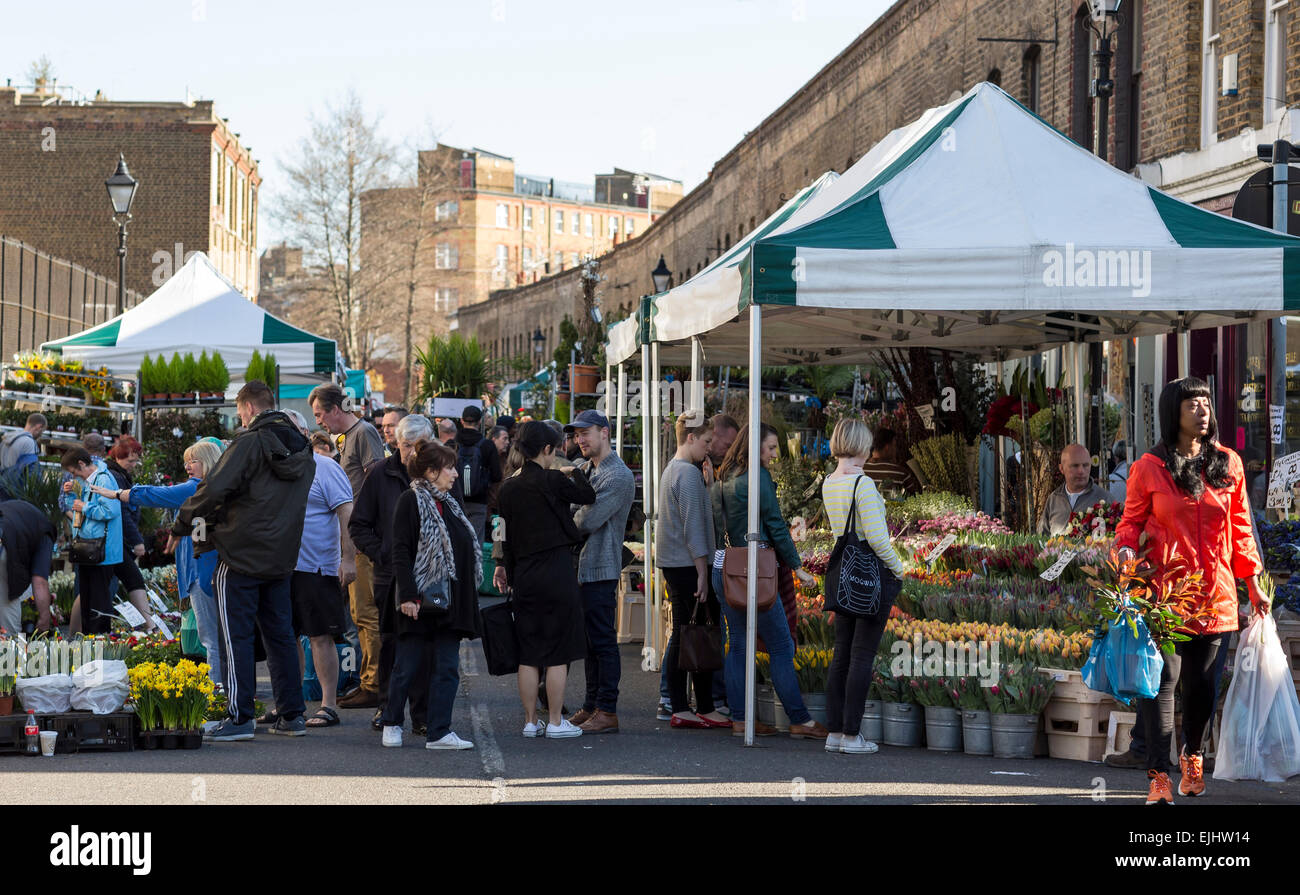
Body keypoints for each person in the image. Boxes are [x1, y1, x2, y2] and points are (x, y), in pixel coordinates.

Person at [1115, 376, 1268, 805]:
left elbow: (1241, 531)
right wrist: (1126, 551)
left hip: (1217, 596)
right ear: (1173, 414)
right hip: (1165, 596)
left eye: (1205, 403)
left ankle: (1193, 755)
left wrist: (1252, 583)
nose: (1202, 410)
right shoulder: (1149, 467)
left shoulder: (1229, 464)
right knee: (1162, 683)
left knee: (1202, 690)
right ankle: (1158, 776)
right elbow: (1129, 525)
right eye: (1192, 405)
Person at [178, 380, 314, 741]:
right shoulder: (303, 445)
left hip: (240, 553)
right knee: (281, 636)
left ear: (250, 409)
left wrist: (183, 522)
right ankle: (292, 715)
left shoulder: (248, 442)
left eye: (240, 413)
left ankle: (240, 718)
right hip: (282, 554)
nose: (240, 419)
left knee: (234, 637)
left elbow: (216, 487)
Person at [711, 423, 827, 739]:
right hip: (754, 572)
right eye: (771, 447)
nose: (775, 454)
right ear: (755, 447)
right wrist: (797, 567)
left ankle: (740, 718)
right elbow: (775, 525)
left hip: (724, 565)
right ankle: (800, 719)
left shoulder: (724, 475)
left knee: (736, 644)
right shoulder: (758, 477)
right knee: (781, 645)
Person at [91, 441, 226, 686]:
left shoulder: (197, 488)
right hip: (207, 571)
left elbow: (158, 495)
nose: (187, 466)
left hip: (202, 574)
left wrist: (119, 494)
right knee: (218, 639)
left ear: (207, 461)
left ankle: (217, 697)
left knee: (211, 641)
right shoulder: (217, 488)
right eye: (187, 461)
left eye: (193, 461)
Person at [493, 421, 595, 739]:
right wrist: (573, 472)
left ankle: (528, 721)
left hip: (523, 574)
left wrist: (503, 567)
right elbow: (588, 494)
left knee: (529, 651)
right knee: (557, 652)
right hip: (557, 572)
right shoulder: (553, 480)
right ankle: (554, 721)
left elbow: (501, 533)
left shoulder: (507, 487)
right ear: (547, 449)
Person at [382, 439, 482, 750]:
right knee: (407, 665)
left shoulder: (450, 503)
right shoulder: (411, 501)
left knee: (448, 668)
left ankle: (439, 731)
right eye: (449, 467)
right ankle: (392, 722)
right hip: (420, 599)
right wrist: (408, 596)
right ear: (430, 471)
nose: (455, 473)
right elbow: (400, 550)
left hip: (450, 601)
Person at [821, 419, 907, 754]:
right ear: (862, 446)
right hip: (871, 576)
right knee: (862, 655)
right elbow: (877, 539)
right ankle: (852, 735)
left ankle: (834, 731)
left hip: (844, 573)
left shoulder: (830, 482)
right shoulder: (863, 484)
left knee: (841, 653)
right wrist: (898, 569)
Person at [352, 414, 435, 735]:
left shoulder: (437, 473)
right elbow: (358, 524)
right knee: (390, 644)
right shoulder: (380, 474)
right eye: (405, 446)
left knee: (425, 646)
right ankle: (387, 708)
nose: (412, 453)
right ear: (394, 444)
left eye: (419, 446)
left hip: (428, 576)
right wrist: (383, 553)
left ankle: (423, 714)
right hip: (389, 576)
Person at [311, 383, 384, 710]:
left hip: (363, 537)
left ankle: (375, 683)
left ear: (334, 410)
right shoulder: (350, 437)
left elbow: (375, 481)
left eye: (319, 414)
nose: (319, 422)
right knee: (359, 613)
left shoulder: (364, 433)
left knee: (367, 613)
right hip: (356, 534)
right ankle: (370, 680)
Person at [656, 415, 729, 730]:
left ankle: (695, 705)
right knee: (689, 632)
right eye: (706, 441)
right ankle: (684, 705)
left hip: (679, 563)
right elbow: (693, 527)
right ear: (689, 438)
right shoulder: (686, 474)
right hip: (688, 565)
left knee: (691, 631)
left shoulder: (675, 470)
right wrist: (703, 570)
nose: (709, 448)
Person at [284, 410, 355, 729]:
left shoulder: (324, 466)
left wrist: (348, 558)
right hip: (281, 566)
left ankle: (328, 704)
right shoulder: (276, 468)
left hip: (316, 566)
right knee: (286, 637)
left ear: (303, 432)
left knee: (320, 635)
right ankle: (291, 703)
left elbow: (346, 511)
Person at [566, 410, 635, 734]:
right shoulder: (584, 469)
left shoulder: (617, 476)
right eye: (577, 434)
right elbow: (569, 510)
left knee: (603, 641)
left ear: (605, 432)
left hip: (600, 568)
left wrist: (574, 512)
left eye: (586, 433)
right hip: (583, 568)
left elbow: (583, 521)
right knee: (591, 642)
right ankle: (592, 705)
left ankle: (607, 709)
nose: (580, 439)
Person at [60, 448, 122, 635]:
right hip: (89, 548)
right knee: (87, 598)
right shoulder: (90, 480)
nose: (74, 476)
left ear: (81, 464)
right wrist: (71, 496)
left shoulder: (103, 479)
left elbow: (111, 511)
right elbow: (79, 510)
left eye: (74, 472)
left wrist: (84, 506)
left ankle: (100, 641)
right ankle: (90, 639)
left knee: (98, 601)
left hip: (102, 551)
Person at [104, 436, 154, 633]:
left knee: (99, 586)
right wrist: (137, 541)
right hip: (118, 540)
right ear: (117, 457)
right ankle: (150, 627)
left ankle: (75, 632)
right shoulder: (115, 476)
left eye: (135, 460)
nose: (133, 464)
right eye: (130, 460)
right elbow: (122, 513)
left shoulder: (119, 474)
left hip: (117, 540)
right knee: (133, 579)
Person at [0, 499, 56, 635]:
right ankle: (11, 649)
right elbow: (39, 581)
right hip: (6, 547)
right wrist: (44, 618)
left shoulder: (23, 515)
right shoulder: (45, 534)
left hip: (4, 536)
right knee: (8, 599)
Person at [1037, 443, 1112, 536]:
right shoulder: (1054, 499)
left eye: (1085, 465)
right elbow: (1042, 538)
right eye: (1075, 466)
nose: (1081, 471)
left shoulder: (1105, 499)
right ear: (1061, 468)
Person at [454, 404, 503, 543]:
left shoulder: (454, 444)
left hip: (456, 501)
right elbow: (497, 476)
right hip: (479, 502)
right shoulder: (487, 445)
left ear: (462, 421)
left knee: (457, 543)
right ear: (480, 421)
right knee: (475, 543)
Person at [860, 428, 921, 497]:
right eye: (894, 445)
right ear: (887, 447)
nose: (895, 450)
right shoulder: (901, 473)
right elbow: (914, 500)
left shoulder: (859, 470)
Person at [0, 412, 46, 496]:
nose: (41, 434)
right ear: (39, 426)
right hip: (13, 492)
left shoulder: (5, 440)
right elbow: (32, 473)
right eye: (42, 431)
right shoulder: (29, 442)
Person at [702, 413, 739, 486]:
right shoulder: (692, 466)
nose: (729, 453)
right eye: (728, 446)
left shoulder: (725, 469)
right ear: (712, 434)